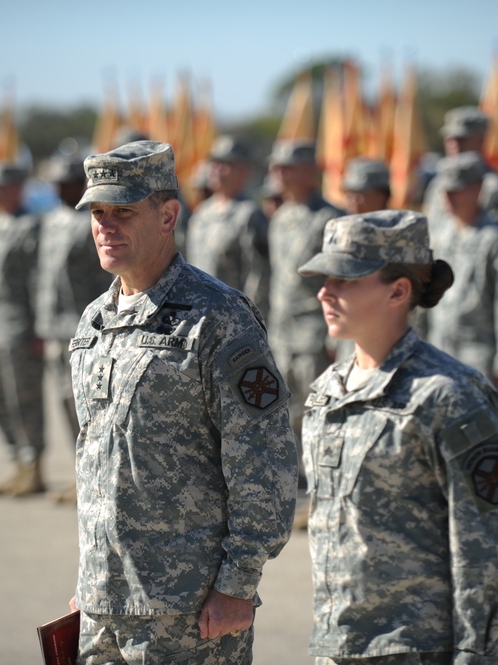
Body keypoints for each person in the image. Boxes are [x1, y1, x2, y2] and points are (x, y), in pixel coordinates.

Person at [67, 140, 297, 664]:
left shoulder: (217, 317)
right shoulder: (93, 323)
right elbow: (98, 462)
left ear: (168, 215)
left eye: (123, 211)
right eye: (98, 212)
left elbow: (263, 459)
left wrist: (238, 582)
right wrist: (92, 579)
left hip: (187, 611)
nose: (106, 225)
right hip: (103, 606)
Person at [299, 209, 498, 664]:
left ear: (398, 291)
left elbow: (486, 539)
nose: (325, 292)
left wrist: (475, 650)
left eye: (346, 280)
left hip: (415, 647)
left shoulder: (448, 395)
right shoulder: (327, 391)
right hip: (336, 643)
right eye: (325, 278)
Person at [35, 155, 113, 504]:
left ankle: (98, 476)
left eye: (68, 182)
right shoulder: (51, 221)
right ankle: (80, 473)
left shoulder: (93, 222)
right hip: (54, 328)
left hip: (86, 330)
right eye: (57, 183)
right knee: (65, 403)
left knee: (89, 405)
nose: (60, 188)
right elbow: (42, 277)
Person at [266, 139, 345, 465]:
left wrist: (334, 335)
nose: (279, 174)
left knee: (322, 412)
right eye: (277, 167)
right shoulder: (280, 217)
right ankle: (296, 486)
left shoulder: (330, 219)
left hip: (315, 333)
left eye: (288, 168)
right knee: (284, 414)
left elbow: (339, 282)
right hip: (282, 333)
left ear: (310, 172)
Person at [0, 162, 45, 497]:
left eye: (1, 187)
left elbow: (37, 282)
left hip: (17, 325)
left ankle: (33, 466)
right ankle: (16, 461)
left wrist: (38, 329)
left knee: (22, 398)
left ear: (18, 189)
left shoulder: (29, 227)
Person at [426, 152, 498, 401]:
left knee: (485, 435)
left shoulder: (495, 239)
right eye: (444, 191)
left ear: (477, 189)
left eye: (456, 190)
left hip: (480, 354)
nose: (447, 198)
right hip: (440, 349)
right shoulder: (441, 235)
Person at [185, 135, 271, 317]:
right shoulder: (202, 213)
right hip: (196, 312)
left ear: (244, 171)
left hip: (230, 318)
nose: (216, 170)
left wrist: (251, 318)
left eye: (226, 165)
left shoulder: (249, 214)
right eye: (214, 163)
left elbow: (257, 274)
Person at [422, 106, 498, 233]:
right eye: (449, 139)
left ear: (481, 140)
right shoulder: (437, 184)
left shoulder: (494, 186)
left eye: (462, 139)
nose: (454, 145)